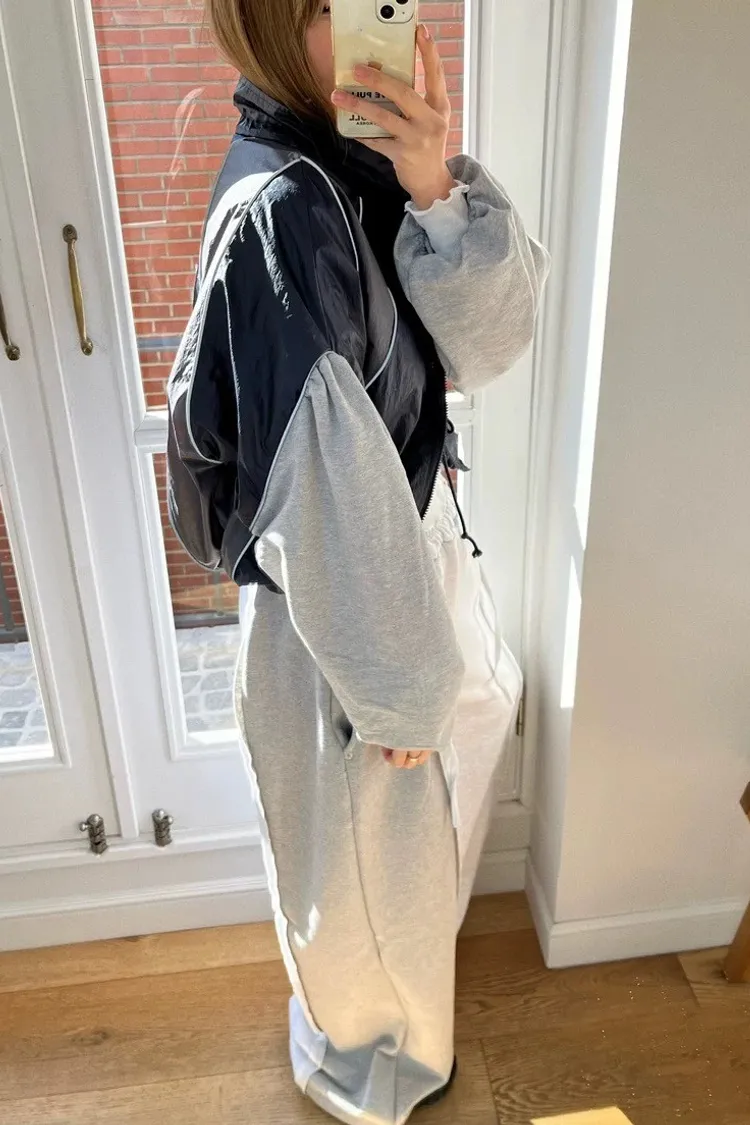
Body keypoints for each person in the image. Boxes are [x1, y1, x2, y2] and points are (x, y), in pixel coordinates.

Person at [167, 2, 550, 1122]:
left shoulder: (362, 160)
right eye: (330, 6)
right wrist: (397, 688)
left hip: (403, 554)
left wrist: (434, 183)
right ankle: (374, 1068)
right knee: (364, 873)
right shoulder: (284, 213)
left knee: (407, 839)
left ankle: (385, 1025)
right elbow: (322, 481)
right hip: (348, 604)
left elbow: (485, 348)